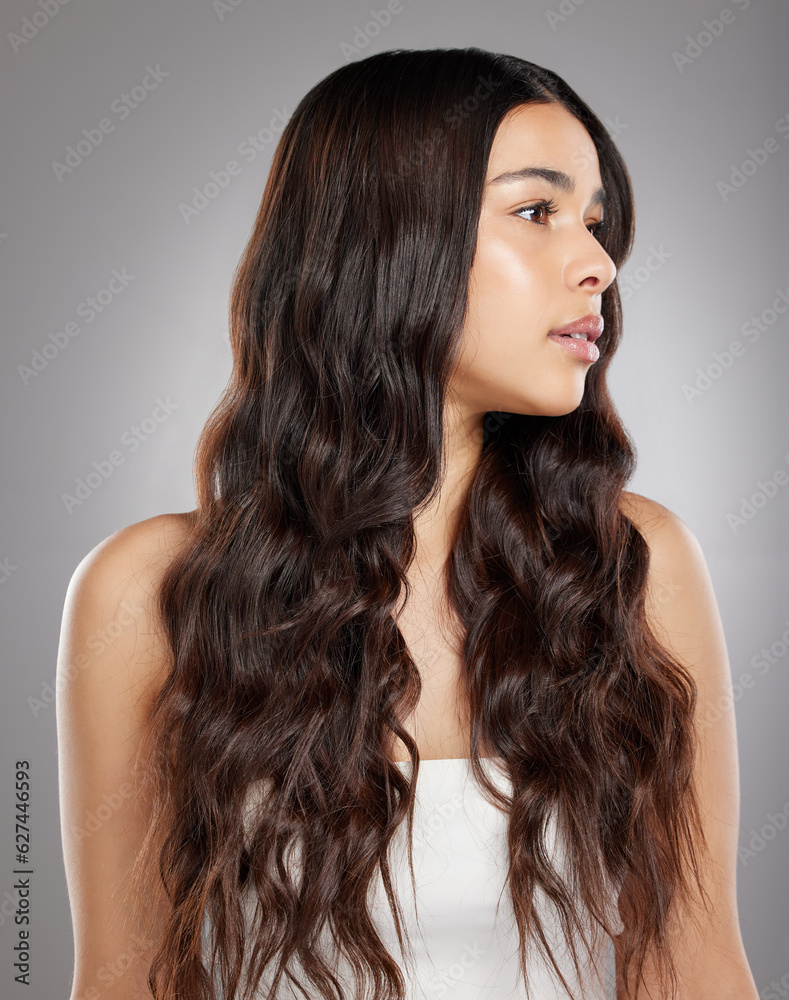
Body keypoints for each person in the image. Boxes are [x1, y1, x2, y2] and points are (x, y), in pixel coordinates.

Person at [56, 47, 758, 1000]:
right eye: (535, 212)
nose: (598, 264)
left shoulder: (638, 564)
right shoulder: (145, 593)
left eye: (596, 223)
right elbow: (122, 981)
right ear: (385, 242)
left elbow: (695, 965)